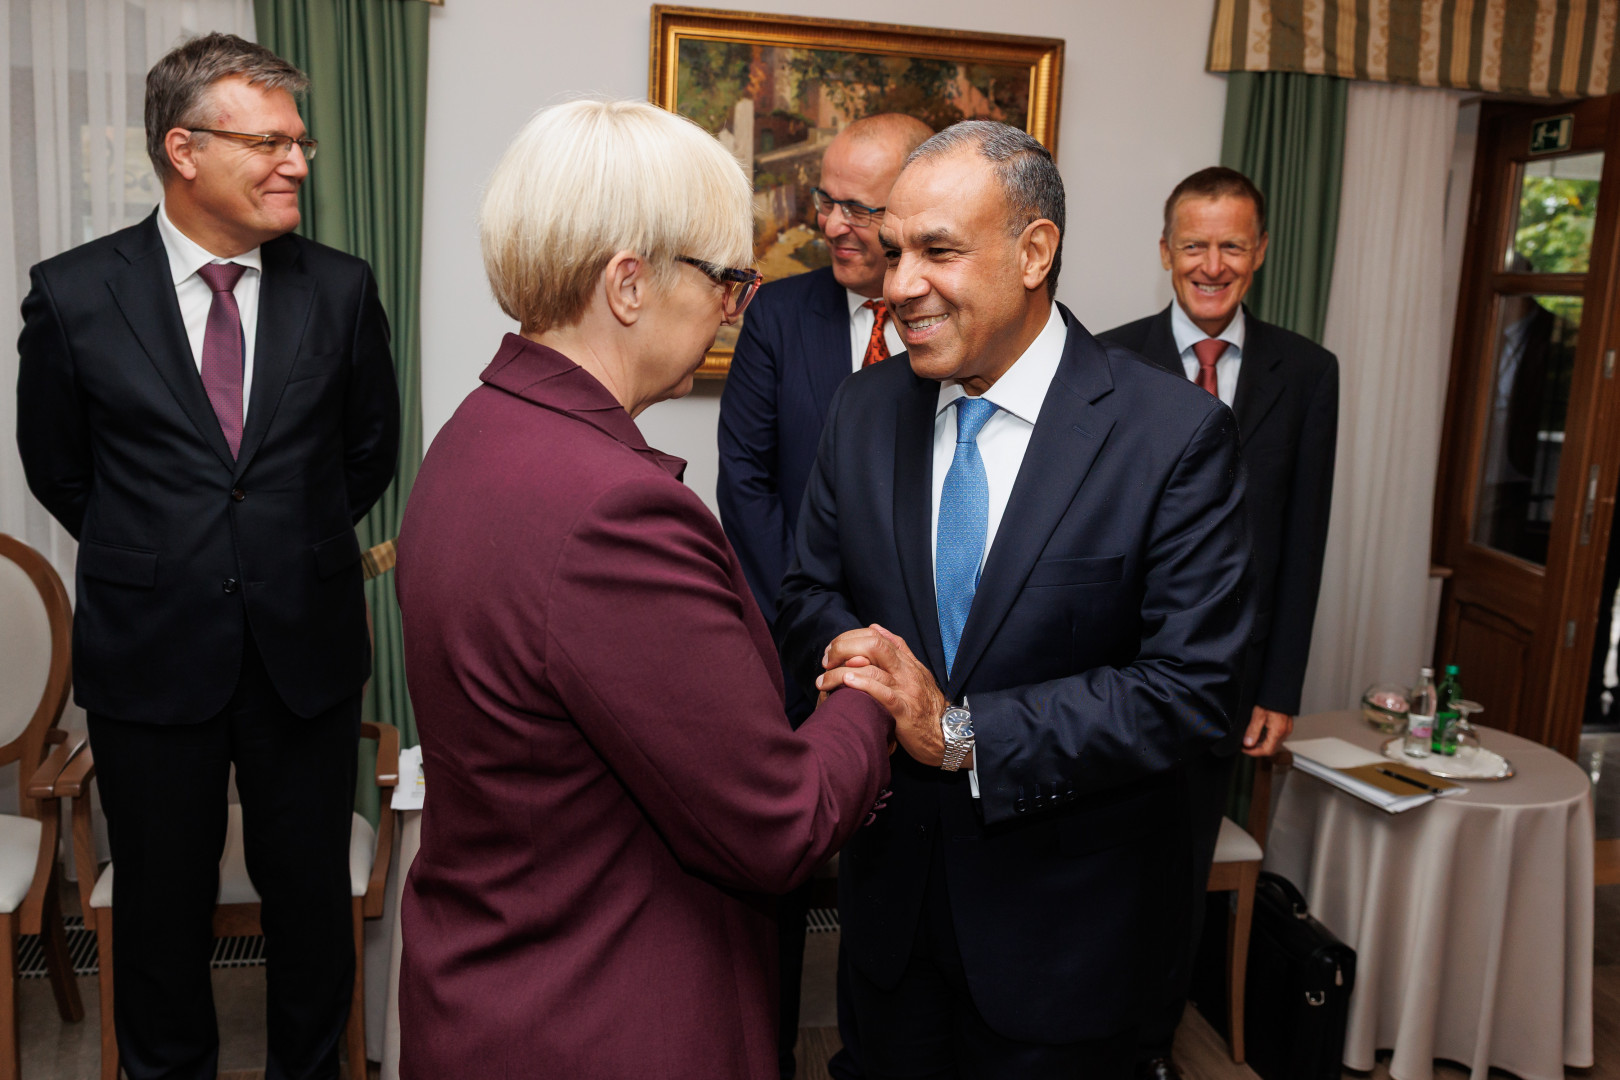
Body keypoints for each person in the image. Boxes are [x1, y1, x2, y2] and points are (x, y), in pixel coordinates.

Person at [393, 100, 919, 1080]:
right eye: (726, 280)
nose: (733, 310)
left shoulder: (478, 430)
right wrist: (870, 689)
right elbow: (780, 822)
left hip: (491, 982)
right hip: (602, 1013)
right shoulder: (612, 510)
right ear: (628, 284)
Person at [777, 121, 1253, 1080]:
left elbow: (1190, 690)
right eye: (896, 250)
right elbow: (806, 592)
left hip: (1064, 947)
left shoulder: (1173, 436)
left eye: (938, 251)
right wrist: (857, 660)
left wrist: (960, 733)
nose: (900, 283)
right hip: (889, 926)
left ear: (1035, 252)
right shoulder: (863, 410)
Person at [15, 33, 399, 1080]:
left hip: (304, 651)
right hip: (150, 654)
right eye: (269, 143)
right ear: (183, 150)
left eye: (301, 142)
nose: (297, 163)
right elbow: (60, 471)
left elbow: (366, 453)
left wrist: (280, 544)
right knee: (158, 909)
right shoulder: (75, 294)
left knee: (310, 902)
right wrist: (167, 552)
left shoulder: (340, 288)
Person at [1099, 166, 1338, 1080]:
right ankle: (1081, 1028)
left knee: (1178, 870)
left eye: (1231, 245)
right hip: (1113, 665)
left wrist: (1280, 687)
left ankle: (1150, 1046)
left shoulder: (1307, 373)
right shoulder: (1109, 359)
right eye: (1194, 244)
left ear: (1260, 252)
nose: (1212, 264)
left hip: (1227, 680)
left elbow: (1304, 539)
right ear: (1165, 252)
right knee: (1100, 860)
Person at [716, 110, 931, 1080]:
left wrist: (895, 650)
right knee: (780, 873)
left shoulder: (956, 323)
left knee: (905, 875)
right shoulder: (781, 314)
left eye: (859, 207)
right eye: (825, 200)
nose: (832, 223)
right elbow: (747, 484)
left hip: (926, 661)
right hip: (791, 650)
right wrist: (821, 631)